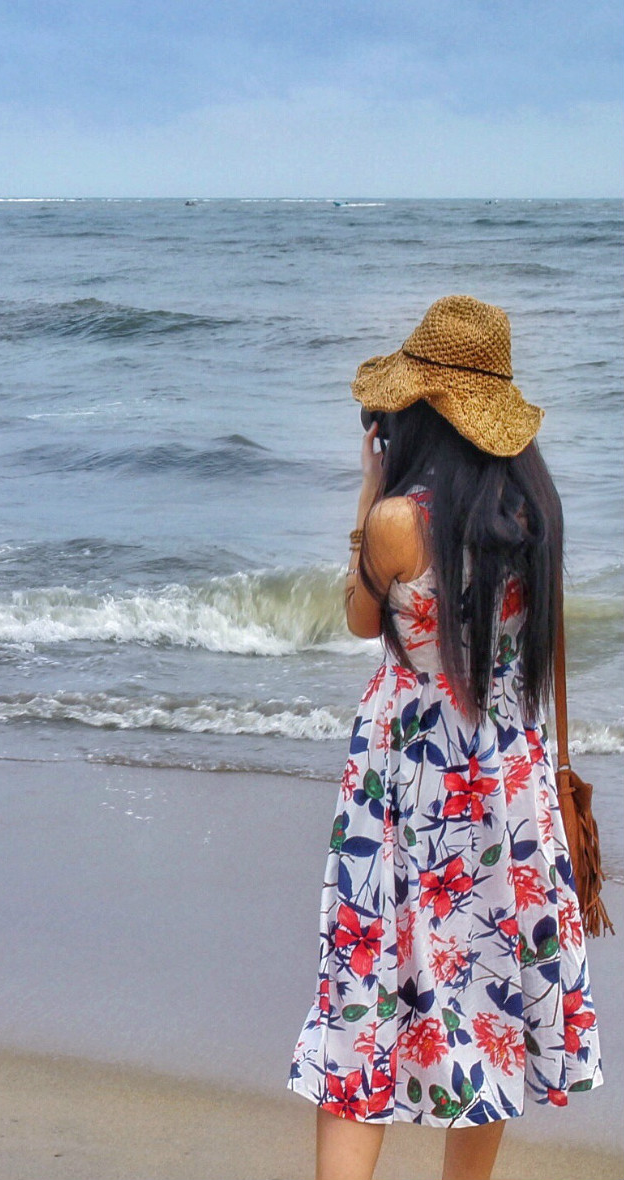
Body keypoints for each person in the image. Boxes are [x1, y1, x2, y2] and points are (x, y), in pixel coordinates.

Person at [291, 297, 599, 1180]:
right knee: (493, 996)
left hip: (408, 775)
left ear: (416, 414)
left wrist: (369, 483)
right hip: (507, 776)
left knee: (365, 991)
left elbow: (359, 619)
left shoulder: (398, 521)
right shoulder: (534, 513)